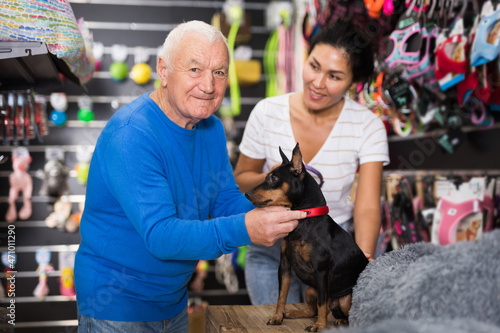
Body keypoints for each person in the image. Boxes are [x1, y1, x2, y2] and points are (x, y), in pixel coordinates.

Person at [74, 20, 306, 332]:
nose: (209, 86)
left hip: (173, 299)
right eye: (194, 69)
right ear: (164, 70)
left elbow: (224, 199)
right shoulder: (131, 136)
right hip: (116, 306)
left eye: (219, 72)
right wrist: (246, 228)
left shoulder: (209, 127)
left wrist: (273, 215)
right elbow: (161, 236)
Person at [234, 20, 390, 305]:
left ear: (353, 82)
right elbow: (242, 176)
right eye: (314, 66)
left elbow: (367, 205)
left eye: (334, 76)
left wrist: (361, 259)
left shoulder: (367, 126)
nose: (318, 83)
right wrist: (270, 178)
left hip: (329, 252)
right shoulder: (267, 112)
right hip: (272, 251)